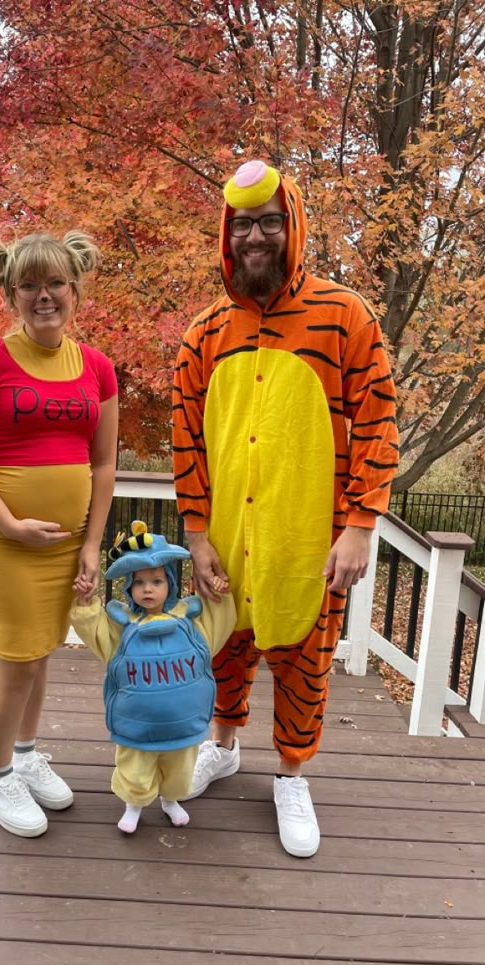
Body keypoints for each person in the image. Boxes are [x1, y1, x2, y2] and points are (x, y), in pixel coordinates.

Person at [172, 159, 398, 857]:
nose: (256, 237)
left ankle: (292, 775)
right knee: (224, 654)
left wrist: (361, 525)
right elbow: (186, 438)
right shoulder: (205, 331)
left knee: (305, 661)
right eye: (244, 224)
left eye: (270, 221)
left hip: (310, 539)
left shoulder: (345, 316)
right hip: (229, 541)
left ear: (292, 224)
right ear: (227, 233)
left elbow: (380, 421)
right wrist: (197, 532)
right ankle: (224, 744)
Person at [0, 229, 118, 838]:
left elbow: (102, 465)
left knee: (39, 660)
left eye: (56, 284)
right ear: (11, 293)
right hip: (7, 544)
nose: (45, 296)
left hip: (68, 547)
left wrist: (92, 543)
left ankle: (22, 756)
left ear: (75, 288)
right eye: (29, 286)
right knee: (16, 664)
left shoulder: (97, 366)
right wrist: (9, 522)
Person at [70, 521, 236, 833]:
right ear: (129, 589)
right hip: (137, 724)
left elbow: (221, 622)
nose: (148, 588)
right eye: (140, 582)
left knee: (180, 768)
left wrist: (220, 594)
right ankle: (134, 804)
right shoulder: (123, 630)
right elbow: (95, 632)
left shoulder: (191, 625)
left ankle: (171, 800)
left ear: (170, 585)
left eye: (157, 581)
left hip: (183, 724)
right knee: (135, 767)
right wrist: (85, 604)